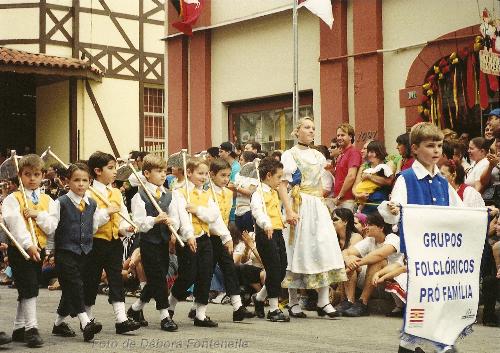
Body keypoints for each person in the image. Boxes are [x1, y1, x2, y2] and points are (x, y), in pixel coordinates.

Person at [378, 122, 463, 353]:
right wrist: (393, 209)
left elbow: (460, 212)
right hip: (417, 256)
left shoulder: (443, 182)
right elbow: (391, 210)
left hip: (440, 256)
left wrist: (484, 212)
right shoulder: (406, 179)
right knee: (420, 309)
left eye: (439, 145)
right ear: (414, 148)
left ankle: (440, 345)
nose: (436, 150)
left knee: (438, 306)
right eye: (430, 145)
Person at [278, 117, 347, 319]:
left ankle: (323, 301)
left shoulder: (318, 155)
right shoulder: (289, 155)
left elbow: (318, 184)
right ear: (297, 131)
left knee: (324, 247)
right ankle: (292, 301)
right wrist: (289, 211)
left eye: (313, 128)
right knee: (297, 249)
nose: (311, 131)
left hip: (316, 205)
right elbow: (283, 185)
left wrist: (322, 206)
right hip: (299, 204)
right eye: (307, 127)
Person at [128, 154, 191, 332]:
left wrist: (172, 223)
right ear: (146, 173)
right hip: (148, 242)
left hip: (163, 241)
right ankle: (165, 316)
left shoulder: (168, 195)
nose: (163, 175)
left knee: (158, 278)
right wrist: (155, 220)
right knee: (158, 277)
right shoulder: (139, 195)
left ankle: (135, 309)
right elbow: (139, 222)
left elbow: (174, 217)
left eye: (165, 171)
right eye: (158, 171)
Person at [47, 163, 109, 341]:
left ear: (90, 181)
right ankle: (86, 322)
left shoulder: (92, 203)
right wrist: (49, 251)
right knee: (75, 285)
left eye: (84, 180)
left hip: (85, 252)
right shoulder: (60, 203)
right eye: (76, 180)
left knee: (70, 289)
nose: (81, 184)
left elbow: (94, 226)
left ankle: (58, 324)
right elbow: (52, 229)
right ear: (67, 181)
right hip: (65, 251)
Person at [1, 154, 55, 348]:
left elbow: (51, 226)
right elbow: (15, 225)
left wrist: (37, 215)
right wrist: (27, 244)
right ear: (20, 175)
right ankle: (32, 329)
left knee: (27, 288)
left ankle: (18, 328)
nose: (32, 178)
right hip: (20, 250)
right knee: (30, 287)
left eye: (36, 174)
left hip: (39, 249)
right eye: (27, 174)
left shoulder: (48, 200)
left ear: (42, 176)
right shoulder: (12, 199)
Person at [84, 152, 140, 335]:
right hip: (95, 243)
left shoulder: (116, 192)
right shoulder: (88, 192)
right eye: (111, 168)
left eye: (115, 167)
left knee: (116, 279)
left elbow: (122, 216)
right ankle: (87, 319)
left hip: (114, 242)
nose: (115, 172)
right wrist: (106, 212)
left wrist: (126, 228)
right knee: (91, 279)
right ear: (97, 171)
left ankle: (121, 319)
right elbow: (89, 223)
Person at [168, 157, 219, 328]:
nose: (204, 177)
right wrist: (188, 234)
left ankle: (200, 314)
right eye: (200, 173)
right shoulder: (179, 193)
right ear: (189, 172)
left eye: (206, 174)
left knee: (205, 274)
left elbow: (213, 216)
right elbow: (181, 218)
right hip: (187, 239)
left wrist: (197, 210)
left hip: (204, 238)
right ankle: (170, 305)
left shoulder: (206, 194)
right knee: (188, 275)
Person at [205, 158, 254, 321]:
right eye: (222, 175)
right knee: (205, 272)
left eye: (228, 175)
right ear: (211, 175)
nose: (226, 179)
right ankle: (194, 307)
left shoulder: (228, 192)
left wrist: (227, 235)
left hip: (223, 236)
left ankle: (238, 306)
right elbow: (212, 219)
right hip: (209, 236)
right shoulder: (207, 192)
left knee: (229, 269)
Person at [341, 212, 403, 317]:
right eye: (366, 225)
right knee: (351, 258)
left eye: (369, 225)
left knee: (377, 261)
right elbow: (346, 252)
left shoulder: (393, 238)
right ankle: (350, 301)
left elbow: (379, 255)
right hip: (371, 281)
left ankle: (363, 303)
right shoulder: (370, 240)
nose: (366, 228)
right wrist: (348, 259)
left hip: (389, 284)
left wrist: (357, 263)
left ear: (381, 227)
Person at [250, 157, 289, 322]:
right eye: (278, 177)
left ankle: (259, 298)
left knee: (281, 268)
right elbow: (257, 211)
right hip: (265, 232)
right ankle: (273, 309)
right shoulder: (258, 193)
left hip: (277, 231)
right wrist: (265, 223)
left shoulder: (273, 192)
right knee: (273, 269)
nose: (281, 180)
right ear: (268, 175)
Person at [331, 208, 363, 312]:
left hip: (359, 270)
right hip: (339, 272)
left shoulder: (356, 236)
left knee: (348, 262)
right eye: (331, 219)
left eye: (335, 219)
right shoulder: (332, 238)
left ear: (345, 221)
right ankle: (340, 300)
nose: (332, 222)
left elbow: (350, 256)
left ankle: (350, 300)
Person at [352, 140, 394, 214]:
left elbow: (389, 181)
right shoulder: (365, 166)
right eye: (368, 152)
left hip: (380, 205)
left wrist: (369, 176)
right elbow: (355, 186)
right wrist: (358, 195)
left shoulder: (387, 164)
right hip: (364, 205)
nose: (369, 154)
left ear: (379, 152)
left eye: (372, 152)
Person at [333, 123, 362, 211]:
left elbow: (351, 176)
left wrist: (340, 196)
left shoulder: (353, 152)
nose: (339, 138)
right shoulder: (342, 154)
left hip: (347, 200)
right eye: (338, 135)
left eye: (342, 135)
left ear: (350, 137)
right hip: (339, 200)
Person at [234, 151, 258, 233]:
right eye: (239, 160)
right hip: (237, 210)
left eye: (241, 160)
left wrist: (236, 188)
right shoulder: (238, 175)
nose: (239, 162)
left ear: (249, 162)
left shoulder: (255, 174)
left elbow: (250, 192)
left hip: (248, 210)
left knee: (250, 236)